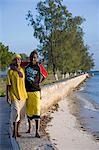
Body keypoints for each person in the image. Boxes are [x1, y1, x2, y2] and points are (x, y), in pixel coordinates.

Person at [25, 50, 47, 138]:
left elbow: (45, 75)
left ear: (37, 58)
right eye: (32, 57)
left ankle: (37, 132)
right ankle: (30, 128)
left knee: (37, 110)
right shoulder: (26, 67)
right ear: (30, 58)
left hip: (36, 91)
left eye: (35, 57)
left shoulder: (39, 66)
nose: (33, 59)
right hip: (27, 92)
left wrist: (39, 82)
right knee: (29, 111)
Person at [6, 54, 27, 138]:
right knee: (16, 114)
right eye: (16, 59)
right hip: (14, 95)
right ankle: (14, 132)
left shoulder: (22, 70)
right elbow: (8, 85)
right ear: (14, 60)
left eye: (19, 59)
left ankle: (17, 131)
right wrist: (7, 97)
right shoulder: (10, 72)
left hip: (23, 95)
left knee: (21, 115)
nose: (18, 61)